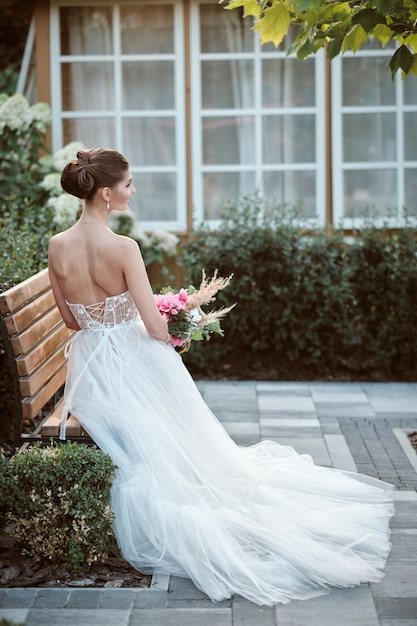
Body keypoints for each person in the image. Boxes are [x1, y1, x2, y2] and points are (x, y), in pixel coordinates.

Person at [48, 147, 394, 607]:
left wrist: (114, 319)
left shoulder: (56, 245)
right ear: (107, 194)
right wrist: (179, 327)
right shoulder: (124, 247)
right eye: (129, 184)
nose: (134, 190)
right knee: (184, 438)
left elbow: (72, 323)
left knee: (148, 450)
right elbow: (153, 327)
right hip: (132, 359)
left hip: (93, 369)